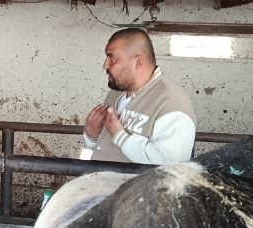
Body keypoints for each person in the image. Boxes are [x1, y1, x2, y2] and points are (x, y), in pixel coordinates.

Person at [80, 27, 196, 164]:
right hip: (97, 176)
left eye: (111, 57)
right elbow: (103, 149)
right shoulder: (116, 93)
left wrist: (120, 136)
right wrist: (92, 135)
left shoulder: (171, 102)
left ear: (138, 62)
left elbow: (171, 166)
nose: (105, 65)